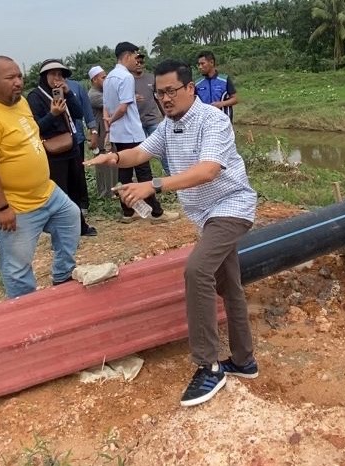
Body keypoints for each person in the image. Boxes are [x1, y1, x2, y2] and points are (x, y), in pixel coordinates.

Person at [85, 59, 258, 407]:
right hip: (205, 215)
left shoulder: (213, 121)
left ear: (189, 89)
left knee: (197, 271)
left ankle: (209, 366)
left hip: (230, 207)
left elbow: (208, 171)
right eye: (159, 92)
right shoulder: (167, 127)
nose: (164, 98)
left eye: (170, 91)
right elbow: (140, 152)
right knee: (228, 285)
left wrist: (155, 185)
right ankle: (243, 360)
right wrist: (114, 160)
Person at [0, 55, 81, 298]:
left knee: (71, 218)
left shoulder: (20, 103)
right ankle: (25, 308)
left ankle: (63, 277)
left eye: (19, 76)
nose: (18, 82)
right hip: (15, 205)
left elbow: (32, 134)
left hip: (46, 192)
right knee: (17, 266)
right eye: (10, 78)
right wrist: (2, 207)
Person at [103, 41, 178, 224]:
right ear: (127, 55)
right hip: (132, 132)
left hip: (119, 134)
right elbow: (123, 107)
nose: (137, 61)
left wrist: (109, 125)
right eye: (135, 56)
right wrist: (112, 120)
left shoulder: (109, 78)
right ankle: (156, 212)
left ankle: (128, 212)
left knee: (124, 173)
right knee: (144, 172)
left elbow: (107, 106)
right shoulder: (126, 77)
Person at [26, 59, 97, 237]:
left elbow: (78, 114)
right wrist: (53, 114)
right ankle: (61, 233)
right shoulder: (35, 96)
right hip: (53, 152)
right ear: (44, 76)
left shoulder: (63, 93)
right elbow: (37, 127)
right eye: (53, 74)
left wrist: (69, 94)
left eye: (60, 74)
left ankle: (80, 227)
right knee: (59, 193)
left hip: (71, 147)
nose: (57, 78)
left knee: (76, 188)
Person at [65, 63, 99, 212]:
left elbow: (86, 110)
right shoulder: (45, 91)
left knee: (78, 170)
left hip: (76, 136)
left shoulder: (76, 87)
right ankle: (67, 204)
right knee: (62, 173)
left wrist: (93, 131)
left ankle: (83, 203)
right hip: (57, 139)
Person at [133, 54, 169, 176]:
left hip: (154, 120)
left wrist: (166, 115)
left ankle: (171, 174)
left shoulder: (151, 78)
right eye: (136, 62)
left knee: (163, 149)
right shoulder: (128, 80)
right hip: (137, 123)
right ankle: (147, 179)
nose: (139, 64)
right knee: (142, 152)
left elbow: (158, 98)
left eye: (141, 62)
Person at [87, 65, 117, 198]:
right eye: (103, 77)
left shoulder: (102, 93)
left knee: (111, 162)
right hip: (100, 134)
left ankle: (112, 190)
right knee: (104, 164)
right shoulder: (93, 95)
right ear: (94, 79)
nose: (106, 80)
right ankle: (106, 193)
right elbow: (113, 104)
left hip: (107, 132)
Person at [195, 51, 238, 122]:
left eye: (202, 64)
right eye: (199, 64)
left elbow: (235, 99)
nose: (200, 67)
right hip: (205, 122)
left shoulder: (224, 80)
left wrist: (221, 104)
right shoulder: (197, 83)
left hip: (223, 121)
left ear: (211, 63)